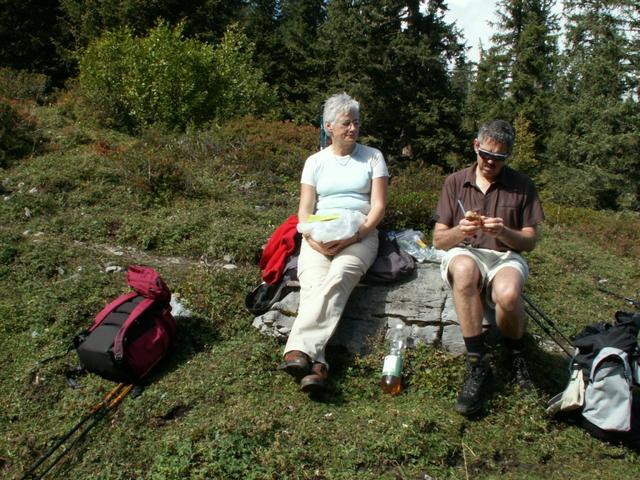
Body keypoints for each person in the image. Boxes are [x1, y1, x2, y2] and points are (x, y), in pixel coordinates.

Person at [432, 119, 544, 416]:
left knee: (507, 295)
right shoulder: (455, 182)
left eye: (499, 157)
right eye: (485, 154)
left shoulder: (523, 186)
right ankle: (476, 362)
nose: (490, 162)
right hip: (465, 251)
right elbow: (439, 240)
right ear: (475, 146)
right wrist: (461, 231)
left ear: (509, 156)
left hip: (506, 256)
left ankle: (515, 356)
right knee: (466, 271)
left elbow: (530, 242)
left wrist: (504, 233)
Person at [279, 92, 389, 392]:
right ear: (329, 126)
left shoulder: (373, 157)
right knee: (314, 286)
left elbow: (378, 207)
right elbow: (305, 209)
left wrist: (354, 236)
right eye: (345, 123)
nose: (352, 129)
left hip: (360, 235)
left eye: (355, 122)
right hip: (318, 235)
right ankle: (319, 366)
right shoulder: (315, 162)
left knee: (340, 276)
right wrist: (312, 240)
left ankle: (298, 348)